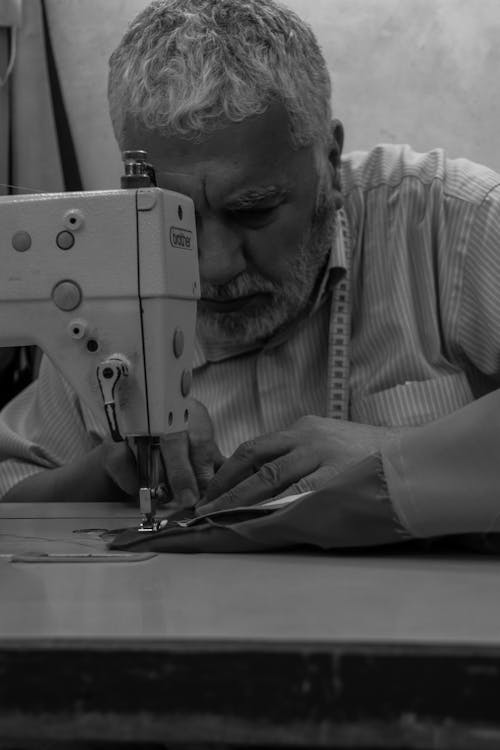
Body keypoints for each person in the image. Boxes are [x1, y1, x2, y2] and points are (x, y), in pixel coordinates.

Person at [1, 0, 500, 545]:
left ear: (329, 163)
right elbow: (13, 490)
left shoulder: (452, 222)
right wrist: (107, 469)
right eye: (177, 224)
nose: (213, 267)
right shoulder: (105, 283)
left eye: (253, 210)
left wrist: (398, 457)